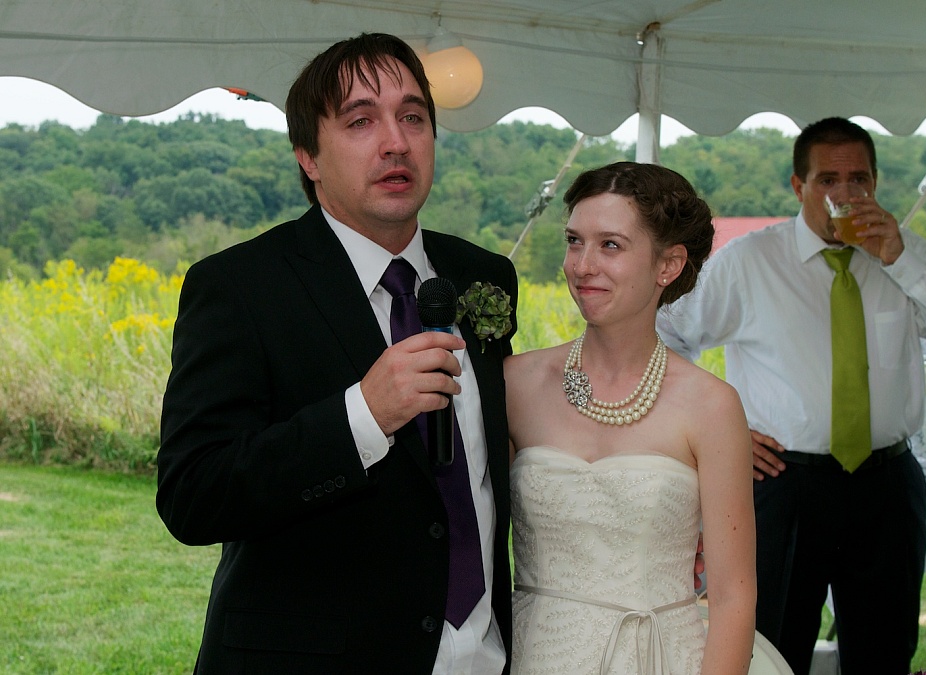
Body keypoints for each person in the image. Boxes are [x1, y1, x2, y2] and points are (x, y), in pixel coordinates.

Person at [156, 33, 518, 673]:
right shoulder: (239, 286)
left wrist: (670, 434)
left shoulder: (480, 275)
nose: (396, 141)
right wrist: (363, 416)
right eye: (360, 120)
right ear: (309, 157)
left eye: (413, 117)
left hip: (484, 656)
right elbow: (193, 495)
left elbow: (513, 431)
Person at [656, 117, 926, 674]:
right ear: (799, 186)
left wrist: (902, 259)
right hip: (784, 483)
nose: (845, 194)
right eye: (827, 180)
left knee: (883, 649)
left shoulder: (903, 257)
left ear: (877, 182)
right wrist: (716, 432)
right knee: (769, 645)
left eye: (859, 180)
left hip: (886, 483)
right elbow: (665, 333)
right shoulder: (751, 263)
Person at [505, 162, 756, 674]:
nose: (582, 264)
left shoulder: (711, 406)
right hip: (536, 655)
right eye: (575, 241)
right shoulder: (515, 384)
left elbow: (734, 596)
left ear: (668, 265)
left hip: (659, 658)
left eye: (610, 245)